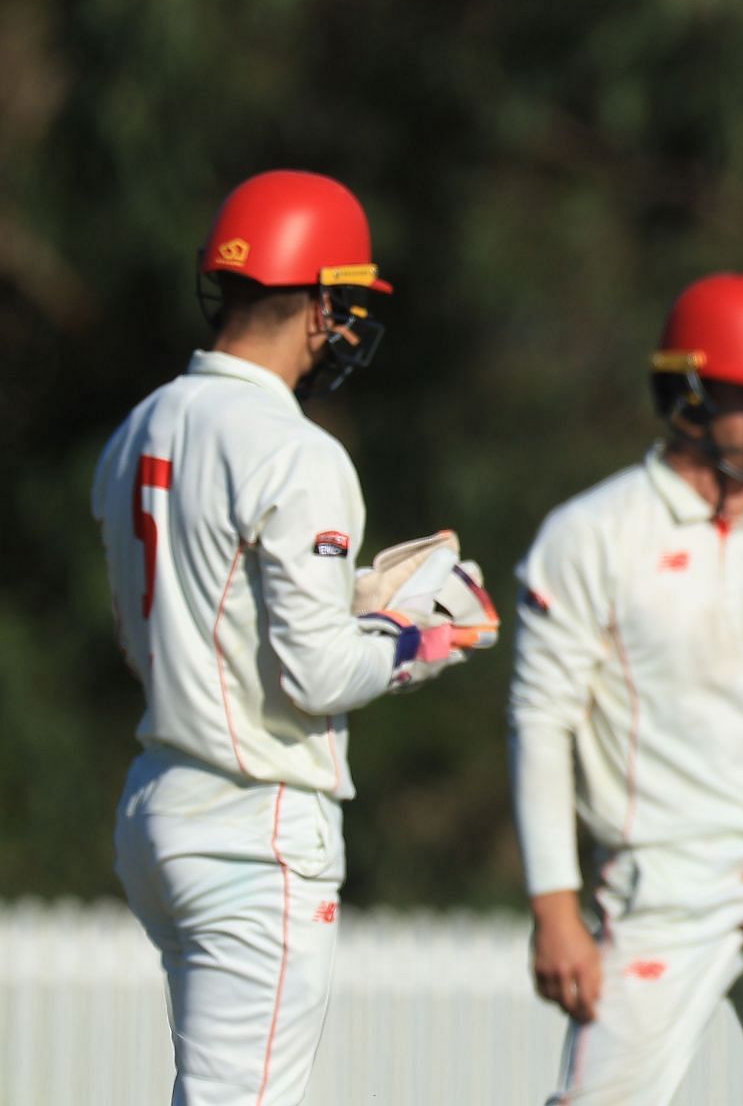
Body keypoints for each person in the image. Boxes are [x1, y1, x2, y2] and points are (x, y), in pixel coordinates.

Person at [93, 170, 498, 1105]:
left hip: (158, 802)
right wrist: (424, 635)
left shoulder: (137, 428)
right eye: (346, 304)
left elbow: (199, 618)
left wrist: (360, 596)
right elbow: (315, 673)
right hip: (255, 820)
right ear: (321, 302)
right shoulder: (298, 452)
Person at [509, 272, 743, 1105]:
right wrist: (554, 908)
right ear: (684, 394)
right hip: (659, 881)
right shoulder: (592, 534)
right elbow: (541, 727)